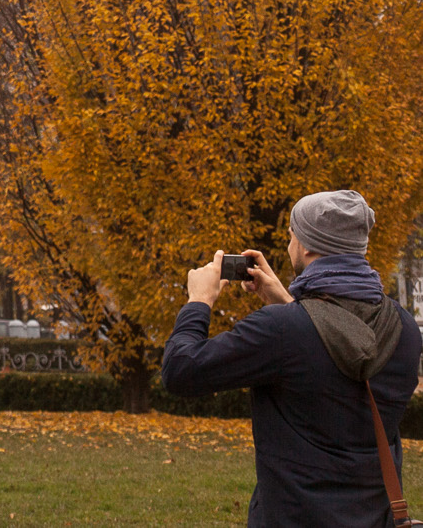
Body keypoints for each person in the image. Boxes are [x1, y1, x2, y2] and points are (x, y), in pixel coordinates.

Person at [164, 189, 422, 527]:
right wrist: (288, 302)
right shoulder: (404, 328)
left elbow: (180, 370)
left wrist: (198, 300)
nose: (289, 246)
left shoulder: (281, 332)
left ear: (308, 245)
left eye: (291, 236)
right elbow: (335, 356)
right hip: (375, 518)